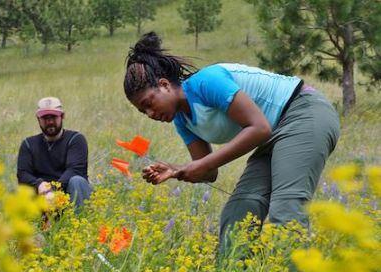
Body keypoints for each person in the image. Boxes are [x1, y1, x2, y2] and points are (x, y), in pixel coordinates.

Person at [123, 32, 340, 256]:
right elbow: (209, 172)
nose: (149, 113)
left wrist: (201, 165)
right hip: (273, 135)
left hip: (303, 112)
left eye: (149, 103)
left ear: (165, 85)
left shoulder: (206, 82)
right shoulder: (182, 120)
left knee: (286, 207)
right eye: (143, 111)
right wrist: (175, 170)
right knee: (240, 209)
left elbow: (259, 128)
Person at [17, 96, 91, 211]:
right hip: (41, 198)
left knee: (77, 181)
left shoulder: (76, 139)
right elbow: (23, 174)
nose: (50, 122)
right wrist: (39, 184)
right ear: (38, 119)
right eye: (45, 118)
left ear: (62, 116)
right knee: (17, 192)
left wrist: (53, 191)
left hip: (69, 196)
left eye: (54, 117)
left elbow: (75, 170)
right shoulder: (28, 144)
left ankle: (81, 224)